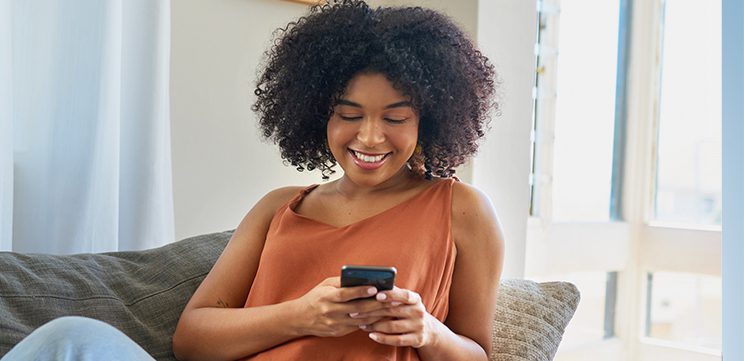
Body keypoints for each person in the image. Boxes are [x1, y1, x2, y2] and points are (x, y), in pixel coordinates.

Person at [1, 1, 504, 360]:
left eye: (395, 118)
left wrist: (428, 333)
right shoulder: (279, 208)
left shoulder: (461, 210)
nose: (370, 137)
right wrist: (302, 315)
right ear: (315, 115)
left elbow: (477, 352)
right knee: (69, 337)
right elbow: (192, 339)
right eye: (348, 114)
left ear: (430, 119)